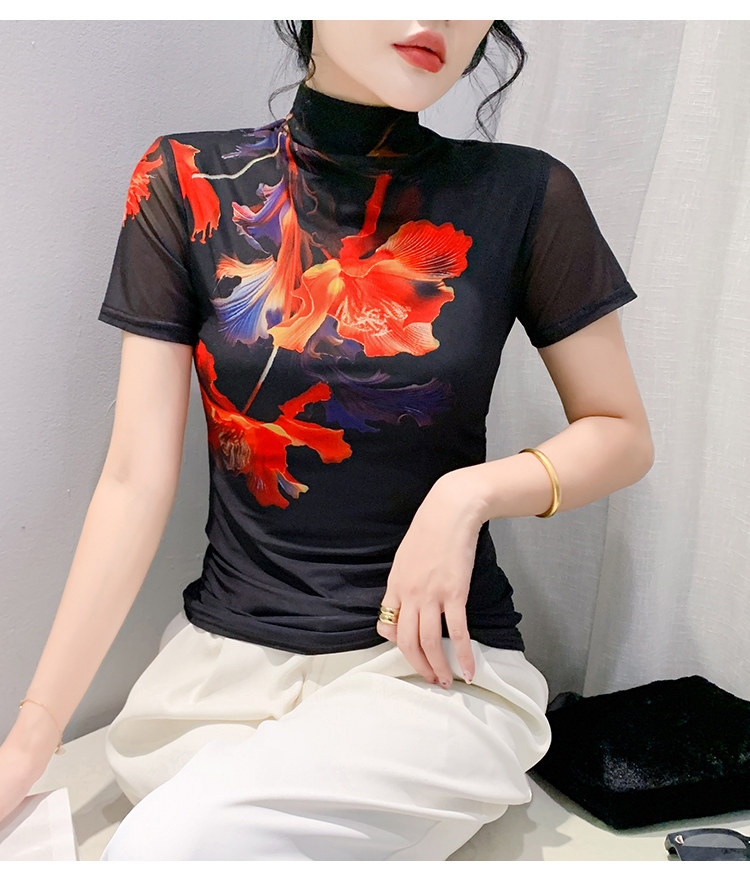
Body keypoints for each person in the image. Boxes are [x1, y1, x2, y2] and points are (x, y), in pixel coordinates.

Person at [0, 21, 654, 860]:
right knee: (190, 827)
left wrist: (468, 494)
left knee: (170, 844)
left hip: (433, 675)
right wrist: (34, 731)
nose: (437, 14)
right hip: (215, 680)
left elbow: (620, 431)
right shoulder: (188, 181)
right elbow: (133, 478)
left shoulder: (524, 192)